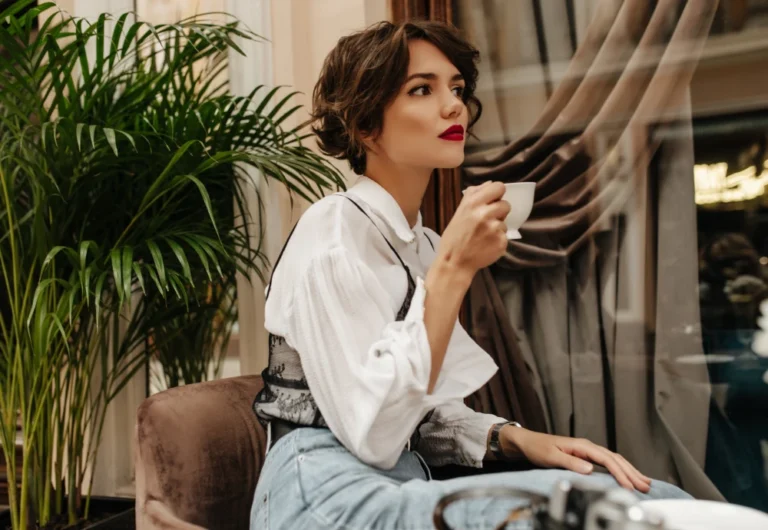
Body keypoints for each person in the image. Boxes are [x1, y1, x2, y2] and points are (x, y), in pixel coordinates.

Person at [250, 19, 690, 530]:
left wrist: (515, 438)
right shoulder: (334, 229)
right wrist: (455, 268)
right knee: (583, 516)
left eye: (457, 88)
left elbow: (421, 416)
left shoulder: (424, 246)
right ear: (366, 124)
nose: (453, 104)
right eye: (422, 89)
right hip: (318, 492)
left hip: (401, 479)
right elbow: (370, 432)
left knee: (647, 497)